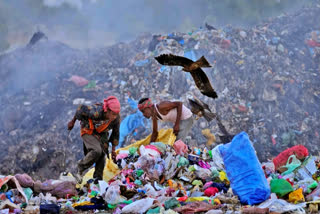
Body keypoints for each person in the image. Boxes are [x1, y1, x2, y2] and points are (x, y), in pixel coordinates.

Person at [67, 96, 120, 182]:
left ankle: (98, 179)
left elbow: (115, 133)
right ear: (107, 110)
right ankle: (79, 168)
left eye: (116, 114)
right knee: (96, 150)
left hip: (101, 134)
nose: (115, 117)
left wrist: (113, 150)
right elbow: (80, 109)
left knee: (102, 153)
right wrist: (72, 122)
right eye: (113, 114)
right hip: (88, 130)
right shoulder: (96, 111)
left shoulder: (116, 118)